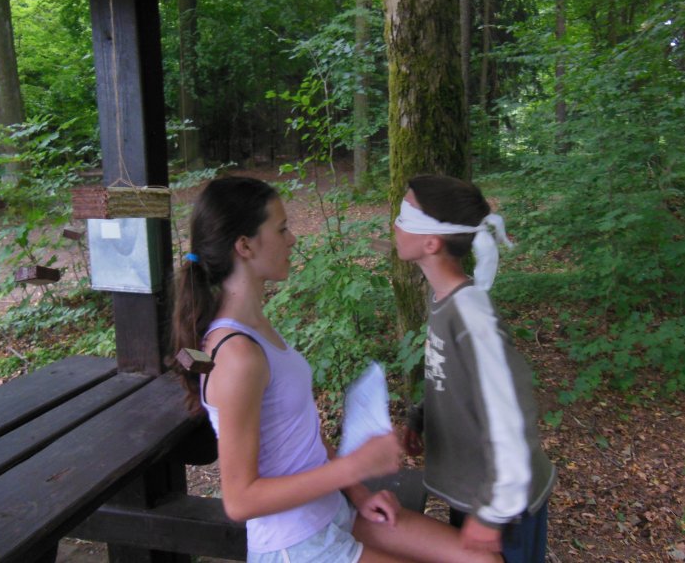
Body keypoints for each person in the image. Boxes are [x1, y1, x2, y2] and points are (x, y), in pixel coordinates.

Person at [171, 176, 501, 563]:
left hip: (335, 513)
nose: (292, 239)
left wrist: (359, 493)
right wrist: (354, 468)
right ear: (244, 246)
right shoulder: (237, 354)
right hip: (296, 545)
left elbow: (300, 432)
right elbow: (240, 501)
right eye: (281, 229)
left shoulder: (256, 328)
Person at [394, 175, 557, 562]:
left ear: (431, 242)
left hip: (502, 506)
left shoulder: (472, 314)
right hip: (474, 492)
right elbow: (454, 377)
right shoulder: (445, 298)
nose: (394, 225)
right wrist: (420, 418)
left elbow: (511, 412)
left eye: (403, 216)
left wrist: (494, 513)